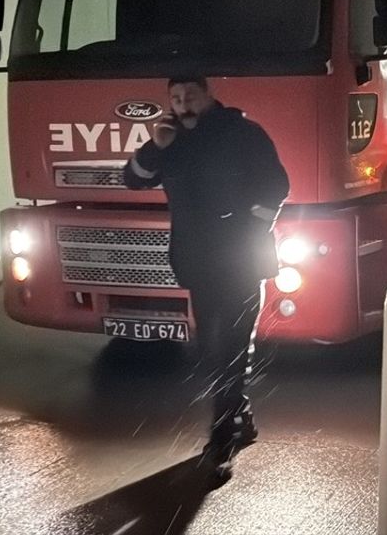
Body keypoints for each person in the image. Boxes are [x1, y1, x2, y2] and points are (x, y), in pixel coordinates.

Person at [123, 75, 289, 484]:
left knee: (229, 347)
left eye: (190, 96)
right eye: (176, 99)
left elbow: (277, 186)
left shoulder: (243, 133)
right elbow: (133, 179)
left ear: (208, 93)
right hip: (197, 264)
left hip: (240, 261)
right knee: (212, 348)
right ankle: (240, 415)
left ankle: (221, 442)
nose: (183, 105)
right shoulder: (170, 141)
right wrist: (154, 148)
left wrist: (248, 230)